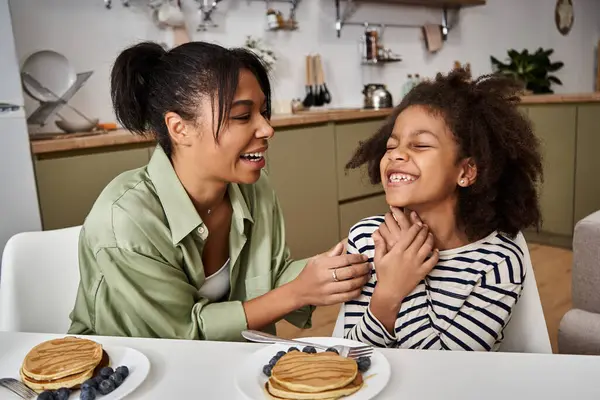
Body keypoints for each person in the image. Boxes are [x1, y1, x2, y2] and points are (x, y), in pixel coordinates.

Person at [68, 41, 371, 341]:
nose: (267, 129)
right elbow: (181, 335)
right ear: (179, 128)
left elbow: (272, 277)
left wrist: (348, 260)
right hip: (128, 375)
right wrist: (297, 292)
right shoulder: (125, 219)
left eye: (264, 113)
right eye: (242, 116)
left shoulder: (254, 188)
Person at [341, 68, 543, 351]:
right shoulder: (366, 238)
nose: (396, 154)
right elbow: (347, 358)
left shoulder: (497, 263)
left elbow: (443, 370)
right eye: (391, 145)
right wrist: (388, 293)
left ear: (466, 171)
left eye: (421, 145)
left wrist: (403, 282)